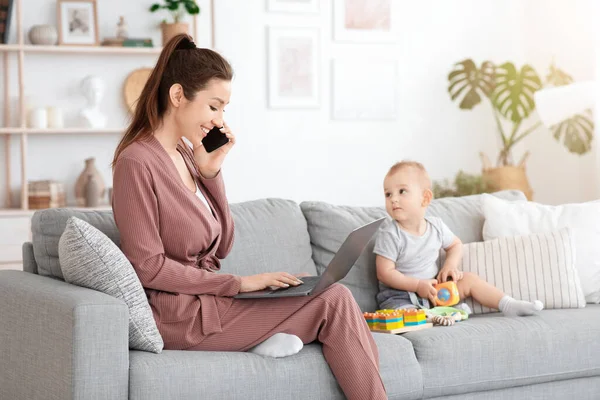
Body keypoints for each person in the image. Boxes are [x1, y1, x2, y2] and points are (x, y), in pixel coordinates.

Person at [111, 34, 387, 400]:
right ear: (178, 96)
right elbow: (147, 267)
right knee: (332, 300)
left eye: (224, 109)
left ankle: (267, 337)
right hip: (179, 317)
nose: (219, 120)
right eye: (214, 106)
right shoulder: (136, 162)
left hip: (211, 303)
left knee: (317, 287)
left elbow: (222, 244)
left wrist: (212, 174)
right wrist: (238, 284)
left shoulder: (186, 153)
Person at [374, 160, 544, 316]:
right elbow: (384, 273)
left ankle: (508, 304)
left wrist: (450, 266)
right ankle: (442, 314)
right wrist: (417, 285)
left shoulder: (436, 226)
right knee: (409, 317)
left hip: (435, 290)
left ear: (425, 198)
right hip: (401, 296)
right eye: (388, 194)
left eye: (401, 191)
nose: (393, 199)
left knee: (469, 279)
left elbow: (455, 244)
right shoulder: (389, 233)